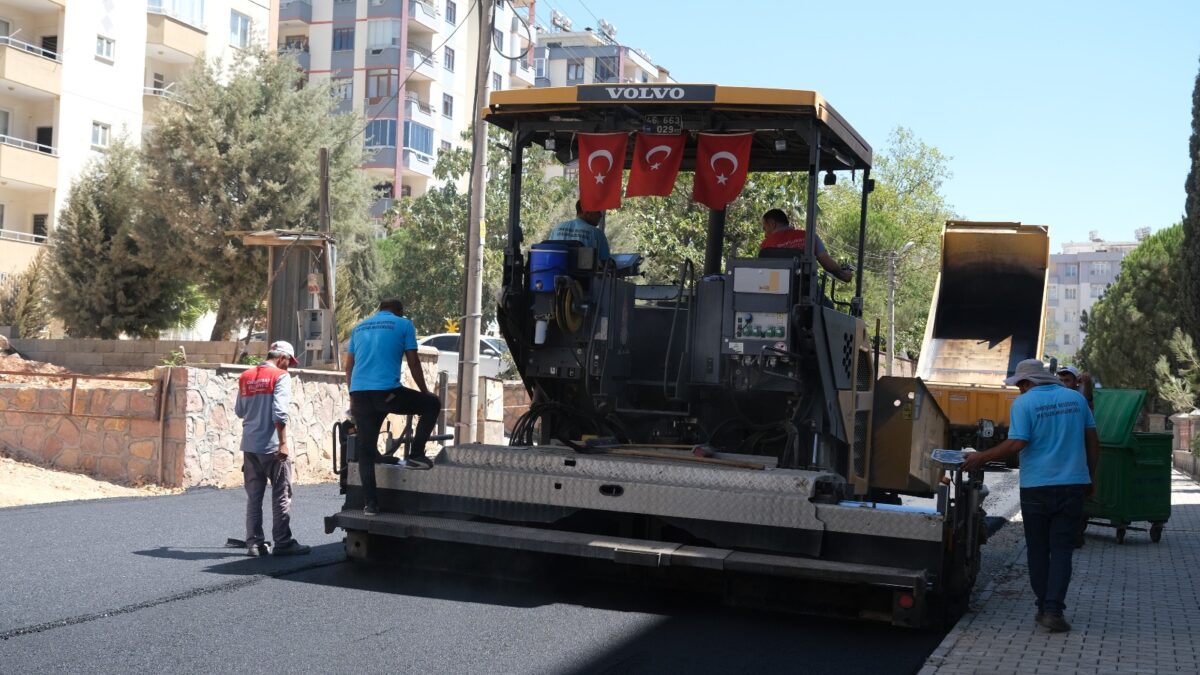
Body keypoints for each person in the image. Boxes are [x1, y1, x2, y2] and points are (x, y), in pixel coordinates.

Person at [963, 359, 1099, 633]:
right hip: (1073, 485)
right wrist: (1090, 477)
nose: (1019, 390)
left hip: (1036, 488)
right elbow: (1093, 442)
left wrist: (980, 457)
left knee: (1038, 549)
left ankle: (1043, 607)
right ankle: (1053, 610)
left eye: (1019, 385)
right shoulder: (1076, 399)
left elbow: (1017, 442)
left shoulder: (1024, 404)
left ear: (1027, 383)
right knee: (1062, 550)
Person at [345, 298, 441, 516]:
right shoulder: (404, 324)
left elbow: (349, 367)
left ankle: (370, 505)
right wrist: (425, 391)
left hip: (360, 394)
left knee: (366, 451)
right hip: (387, 393)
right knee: (431, 405)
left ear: (379, 310)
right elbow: (413, 362)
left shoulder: (359, 328)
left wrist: (352, 396)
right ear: (399, 311)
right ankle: (416, 455)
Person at [235, 340, 311, 557]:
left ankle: (254, 544)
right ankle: (283, 542)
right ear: (282, 358)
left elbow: (239, 411)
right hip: (272, 447)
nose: (289, 366)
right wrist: (283, 443)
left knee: (254, 497)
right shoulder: (280, 376)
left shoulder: (246, 376)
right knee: (281, 494)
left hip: (250, 445)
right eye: (289, 362)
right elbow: (279, 412)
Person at [759, 208, 853, 282]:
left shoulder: (765, 245)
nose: (765, 235)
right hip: (804, 294)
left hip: (773, 288)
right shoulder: (809, 237)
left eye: (765, 229)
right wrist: (843, 274)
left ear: (772, 224)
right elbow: (828, 264)